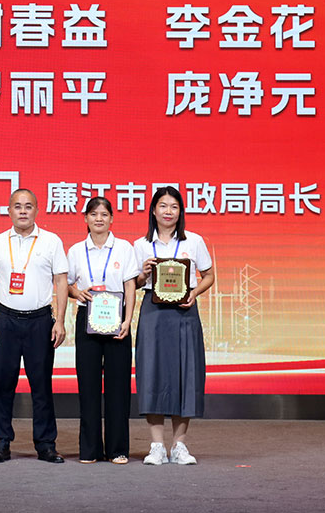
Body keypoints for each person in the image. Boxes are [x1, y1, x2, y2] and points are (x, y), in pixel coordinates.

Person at [0, 188, 69, 463]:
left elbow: (61, 282)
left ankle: (45, 444)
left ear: (36, 210)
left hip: (40, 321)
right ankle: (1, 443)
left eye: (28, 206)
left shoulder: (51, 241)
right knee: (3, 384)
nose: (22, 211)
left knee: (41, 386)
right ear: (9, 210)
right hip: (5, 321)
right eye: (17, 206)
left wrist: (60, 321)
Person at [133, 186, 215, 466]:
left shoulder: (194, 241)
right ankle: (157, 445)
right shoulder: (141, 245)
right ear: (153, 210)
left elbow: (209, 275)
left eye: (174, 207)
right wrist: (142, 274)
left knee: (185, 374)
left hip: (184, 312)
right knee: (152, 373)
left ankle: (179, 445)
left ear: (180, 212)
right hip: (153, 314)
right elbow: (134, 284)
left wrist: (195, 292)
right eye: (163, 206)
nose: (168, 212)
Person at [66, 197, 138, 464]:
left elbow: (130, 286)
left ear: (111, 219)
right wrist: (76, 293)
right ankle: (90, 449)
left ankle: (118, 449)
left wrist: (128, 320)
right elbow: (66, 284)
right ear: (85, 218)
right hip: (88, 318)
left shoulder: (124, 248)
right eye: (94, 214)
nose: (99, 219)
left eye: (104, 214)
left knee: (119, 387)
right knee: (88, 385)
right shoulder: (76, 250)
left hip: (117, 319)